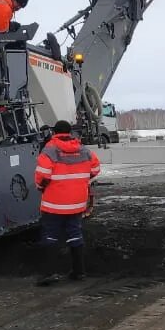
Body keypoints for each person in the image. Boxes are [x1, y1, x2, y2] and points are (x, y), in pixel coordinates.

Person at [34, 120, 99, 286]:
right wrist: (80, 182)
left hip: (54, 203)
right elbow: (95, 169)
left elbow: (42, 175)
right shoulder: (83, 150)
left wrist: (41, 187)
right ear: (70, 132)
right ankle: (79, 272)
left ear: (54, 133)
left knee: (50, 236)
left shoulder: (49, 150)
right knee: (75, 234)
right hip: (77, 203)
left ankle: (49, 273)